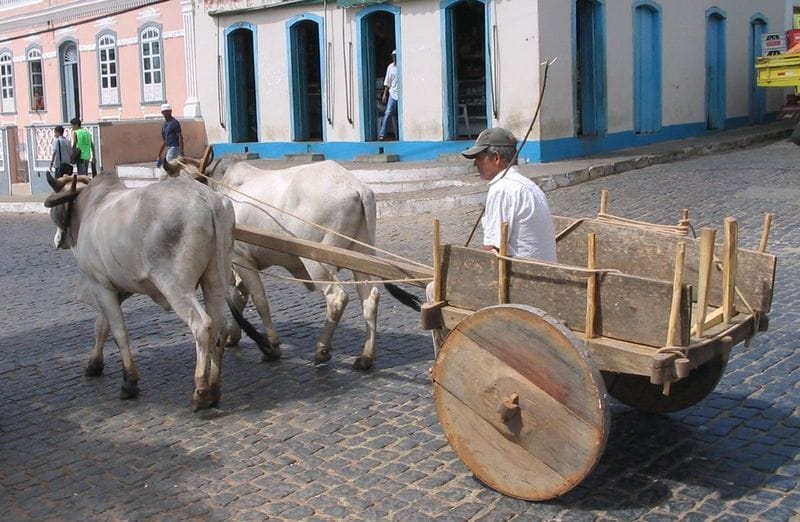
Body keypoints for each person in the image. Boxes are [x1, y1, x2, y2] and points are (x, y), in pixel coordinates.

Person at [426, 127, 557, 356]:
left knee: (433, 289)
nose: (475, 164)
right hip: (541, 276)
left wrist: (457, 271)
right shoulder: (527, 185)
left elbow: (492, 251)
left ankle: (449, 359)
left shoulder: (502, 189)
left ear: (496, 158)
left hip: (520, 284)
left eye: (479, 157)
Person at [378, 50, 399, 141]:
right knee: (388, 113)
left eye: (395, 56)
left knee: (398, 116)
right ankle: (382, 134)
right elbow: (387, 82)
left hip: (401, 95)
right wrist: (384, 94)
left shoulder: (402, 66)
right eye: (393, 56)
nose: (394, 58)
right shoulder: (390, 67)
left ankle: (399, 135)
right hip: (393, 94)